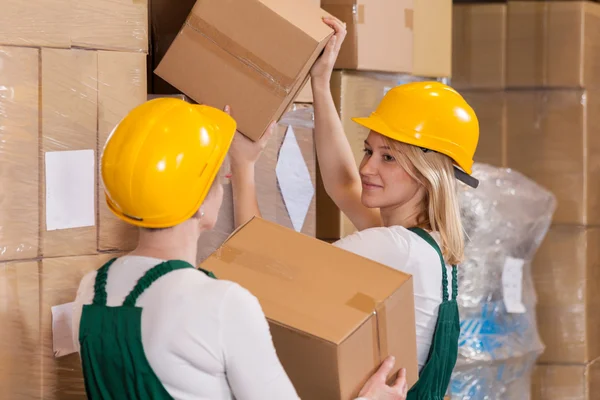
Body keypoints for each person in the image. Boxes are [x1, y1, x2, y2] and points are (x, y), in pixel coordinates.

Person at [70, 97, 408, 400]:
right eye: (217, 179)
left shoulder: (90, 291)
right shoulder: (221, 304)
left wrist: (242, 165)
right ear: (201, 205)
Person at [229, 17, 480, 400]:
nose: (368, 168)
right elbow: (344, 185)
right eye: (368, 151)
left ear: (427, 173)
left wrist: (243, 167)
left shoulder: (396, 247)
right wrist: (319, 82)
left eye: (389, 158)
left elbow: (264, 272)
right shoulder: (428, 246)